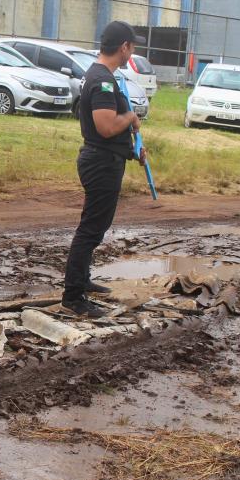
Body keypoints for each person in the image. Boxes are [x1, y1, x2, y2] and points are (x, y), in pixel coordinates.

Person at [62, 21, 148, 318]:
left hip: (105, 158)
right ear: (124, 47)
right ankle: (73, 296)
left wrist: (133, 149)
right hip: (100, 163)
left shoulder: (102, 75)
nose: (132, 51)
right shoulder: (102, 80)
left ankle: (82, 280)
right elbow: (106, 126)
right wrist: (131, 118)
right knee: (91, 230)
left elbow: (109, 130)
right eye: (132, 46)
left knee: (94, 226)